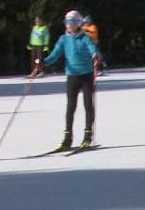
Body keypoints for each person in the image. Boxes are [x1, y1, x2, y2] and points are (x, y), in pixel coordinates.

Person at [36, 10, 100, 150]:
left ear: (78, 24)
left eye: (71, 23)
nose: (68, 25)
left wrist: (96, 55)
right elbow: (55, 54)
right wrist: (44, 62)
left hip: (87, 75)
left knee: (88, 105)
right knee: (71, 107)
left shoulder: (85, 38)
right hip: (72, 76)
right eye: (66, 22)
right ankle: (67, 138)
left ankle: (87, 136)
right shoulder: (63, 39)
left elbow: (93, 49)